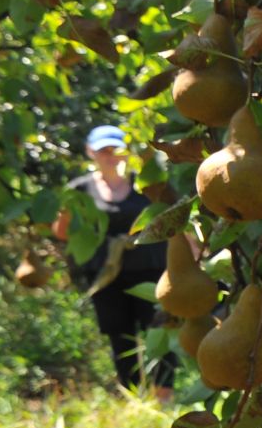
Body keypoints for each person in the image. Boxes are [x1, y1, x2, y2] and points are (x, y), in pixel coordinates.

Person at [54, 124, 174, 396]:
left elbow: (174, 219)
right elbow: (62, 233)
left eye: (115, 149)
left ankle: (165, 396)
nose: (110, 155)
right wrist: (68, 212)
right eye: (103, 150)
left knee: (160, 330)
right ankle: (132, 395)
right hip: (106, 274)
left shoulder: (147, 183)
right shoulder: (79, 189)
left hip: (151, 270)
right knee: (119, 335)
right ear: (90, 152)